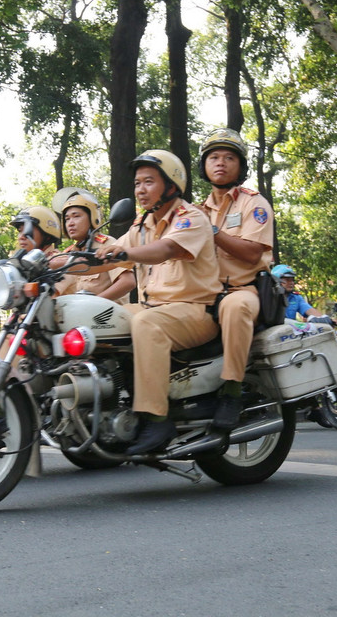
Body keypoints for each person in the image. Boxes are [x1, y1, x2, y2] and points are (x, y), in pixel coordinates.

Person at [94, 149, 221, 454]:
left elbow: (165, 250)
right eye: (137, 183)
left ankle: (156, 418)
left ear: (171, 185)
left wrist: (123, 254)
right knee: (98, 321)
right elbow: (104, 262)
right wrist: (57, 263)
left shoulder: (190, 217)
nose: (140, 189)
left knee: (146, 323)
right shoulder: (141, 225)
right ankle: (105, 408)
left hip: (194, 313)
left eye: (149, 181)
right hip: (154, 309)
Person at [197, 128, 275, 430]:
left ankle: (232, 391)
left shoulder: (253, 204)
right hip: (203, 293)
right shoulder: (195, 209)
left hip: (244, 289)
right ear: (204, 165)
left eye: (229, 158)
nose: (221, 163)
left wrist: (213, 232)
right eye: (214, 157)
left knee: (235, 307)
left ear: (240, 167)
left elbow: (253, 254)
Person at [52, 188, 136, 303]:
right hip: (77, 316)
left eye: (76, 216)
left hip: (108, 315)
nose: (70, 223)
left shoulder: (107, 244)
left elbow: (128, 282)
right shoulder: (68, 254)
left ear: (92, 217)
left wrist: (95, 302)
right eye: (67, 219)